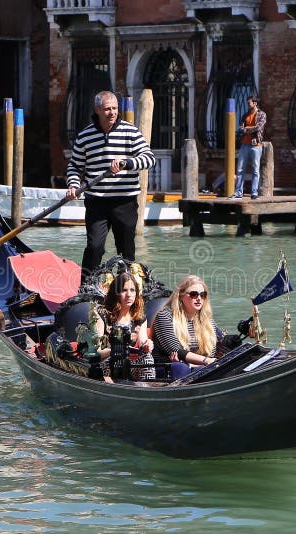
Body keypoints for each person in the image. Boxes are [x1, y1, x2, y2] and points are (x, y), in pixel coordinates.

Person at [66, 91, 156, 282]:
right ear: (97, 110)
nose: (112, 112)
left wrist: (127, 162)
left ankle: (129, 290)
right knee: (95, 247)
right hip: (96, 202)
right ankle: (85, 288)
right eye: (107, 109)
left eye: (114, 108)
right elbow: (74, 166)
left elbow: (149, 159)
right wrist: (73, 185)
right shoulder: (85, 136)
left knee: (126, 249)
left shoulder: (130, 132)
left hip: (125, 201)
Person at [151, 275, 224, 378]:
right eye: (193, 294)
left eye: (202, 295)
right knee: (181, 368)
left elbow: (211, 353)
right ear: (181, 295)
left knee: (205, 370)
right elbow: (176, 350)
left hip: (197, 367)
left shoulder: (207, 321)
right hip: (167, 368)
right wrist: (205, 361)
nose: (199, 298)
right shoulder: (165, 316)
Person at [94, 271, 154, 380]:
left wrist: (147, 345)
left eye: (132, 290)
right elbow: (96, 352)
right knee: (119, 357)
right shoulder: (102, 315)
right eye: (124, 290)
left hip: (130, 363)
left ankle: (147, 388)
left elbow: (142, 343)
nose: (129, 295)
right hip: (107, 363)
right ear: (116, 293)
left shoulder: (139, 317)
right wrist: (117, 350)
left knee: (147, 357)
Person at [231, 95, 266, 200]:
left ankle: (254, 192)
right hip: (244, 145)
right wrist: (249, 129)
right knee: (240, 169)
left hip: (256, 145)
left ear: (255, 103)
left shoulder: (262, 114)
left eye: (249, 103)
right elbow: (241, 129)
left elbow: (259, 127)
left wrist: (247, 129)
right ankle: (238, 192)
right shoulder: (245, 115)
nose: (247, 104)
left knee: (255, 170)